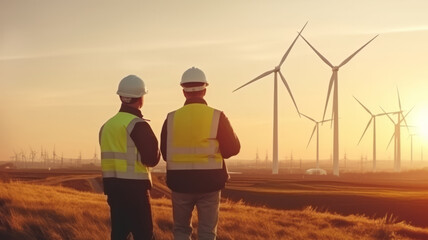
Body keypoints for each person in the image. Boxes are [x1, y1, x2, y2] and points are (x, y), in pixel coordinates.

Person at [160, 67, 240, 240]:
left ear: (183, 92)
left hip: (180, 183)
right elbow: (233, 149)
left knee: (181, 230)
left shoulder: (171, 118)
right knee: (207, 232)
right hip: (210, 184)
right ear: (204, 90)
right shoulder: (217, 116)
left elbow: (165, 154)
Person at [99, 75, 160, 240]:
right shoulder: (137, 124)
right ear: (141, 99)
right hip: (136, 191)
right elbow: (152, 159)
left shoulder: (106, 126)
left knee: (119, 234)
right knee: (144, 235)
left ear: (121, 97)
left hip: (113, 190)